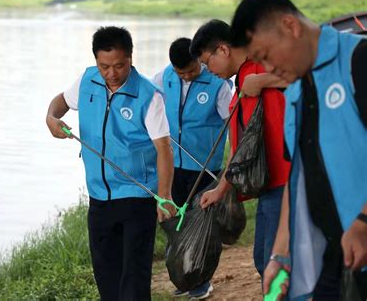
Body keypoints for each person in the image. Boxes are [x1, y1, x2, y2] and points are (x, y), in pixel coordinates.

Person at [230, 0, 367, 300]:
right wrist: (280, 254)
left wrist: (363, 222)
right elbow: (297, 178)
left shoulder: (358, 60)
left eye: (265, 55)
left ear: (290, 26)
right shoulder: (296, 91)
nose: (267, 68)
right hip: (335, 256)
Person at [46, 26, 176, 301]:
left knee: (134, 278)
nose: (112, 74)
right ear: (96, 61)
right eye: (104, 66)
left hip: (138, 196)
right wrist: (51, 118)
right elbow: (60, 102)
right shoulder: (88, 80)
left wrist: (164, 196)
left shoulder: (148, 95)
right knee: (106, 276)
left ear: (130, 57)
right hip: (99, 196)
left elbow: (164, 149)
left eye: (119, 65)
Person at [190, 20, 291, 282]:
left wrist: (264, 80)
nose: (206, 70)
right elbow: (241, 148)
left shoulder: (261, 64)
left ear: (223, 49)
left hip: (290, 183)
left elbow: (307, 72)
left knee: (276, 265)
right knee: (262, 259)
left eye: (206, 62)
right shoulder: (240, 83)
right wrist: (220, 190)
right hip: (270, 185)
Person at [152, 37, 233, 299]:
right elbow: (148, 101)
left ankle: (202, 281)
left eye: (190, 70)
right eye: (180, 72)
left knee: (203, 226)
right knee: (176, 222)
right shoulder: (165, 77)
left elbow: (231, 121)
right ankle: (184, 275)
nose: (186, 76)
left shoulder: (218, 83)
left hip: (205, 167)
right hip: (172, 165)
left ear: (199, 59)